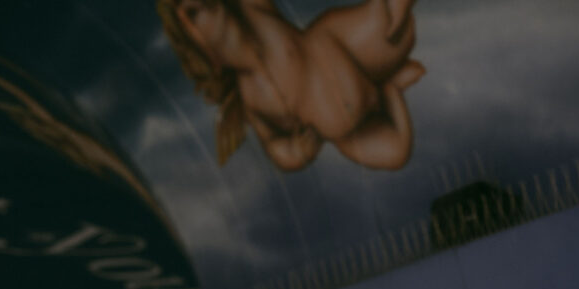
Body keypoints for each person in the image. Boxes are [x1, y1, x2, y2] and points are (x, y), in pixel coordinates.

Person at [158, 0, 425, 170]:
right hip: (345, 128)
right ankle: (389, 89)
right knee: (395, 150)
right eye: (192, 13)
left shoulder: (254, 10)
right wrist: (296, 151)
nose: (201, 4)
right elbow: (273, 144)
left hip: (340, 47)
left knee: (393, 25)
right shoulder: (251, 98)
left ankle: (385, 71)